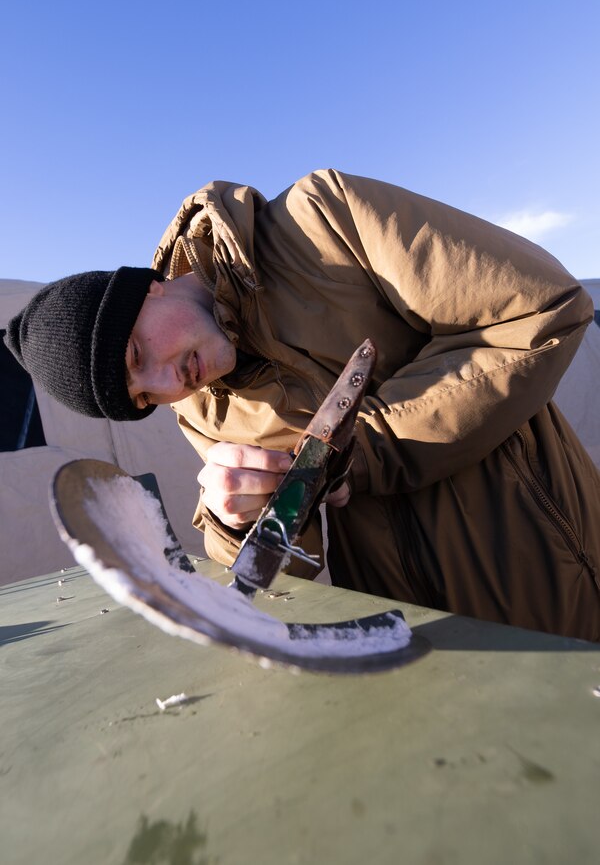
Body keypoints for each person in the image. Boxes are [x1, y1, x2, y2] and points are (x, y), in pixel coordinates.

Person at [6, 169, 600, 641]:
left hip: (550, 573)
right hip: (421, 629)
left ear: (149, 287)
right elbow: (290, 569)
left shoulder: (323, 223)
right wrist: (237, 525)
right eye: (144, 397)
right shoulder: (198, 408)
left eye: (139, 355)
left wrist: (363, 451)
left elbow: (539, 311)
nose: (168, 384)